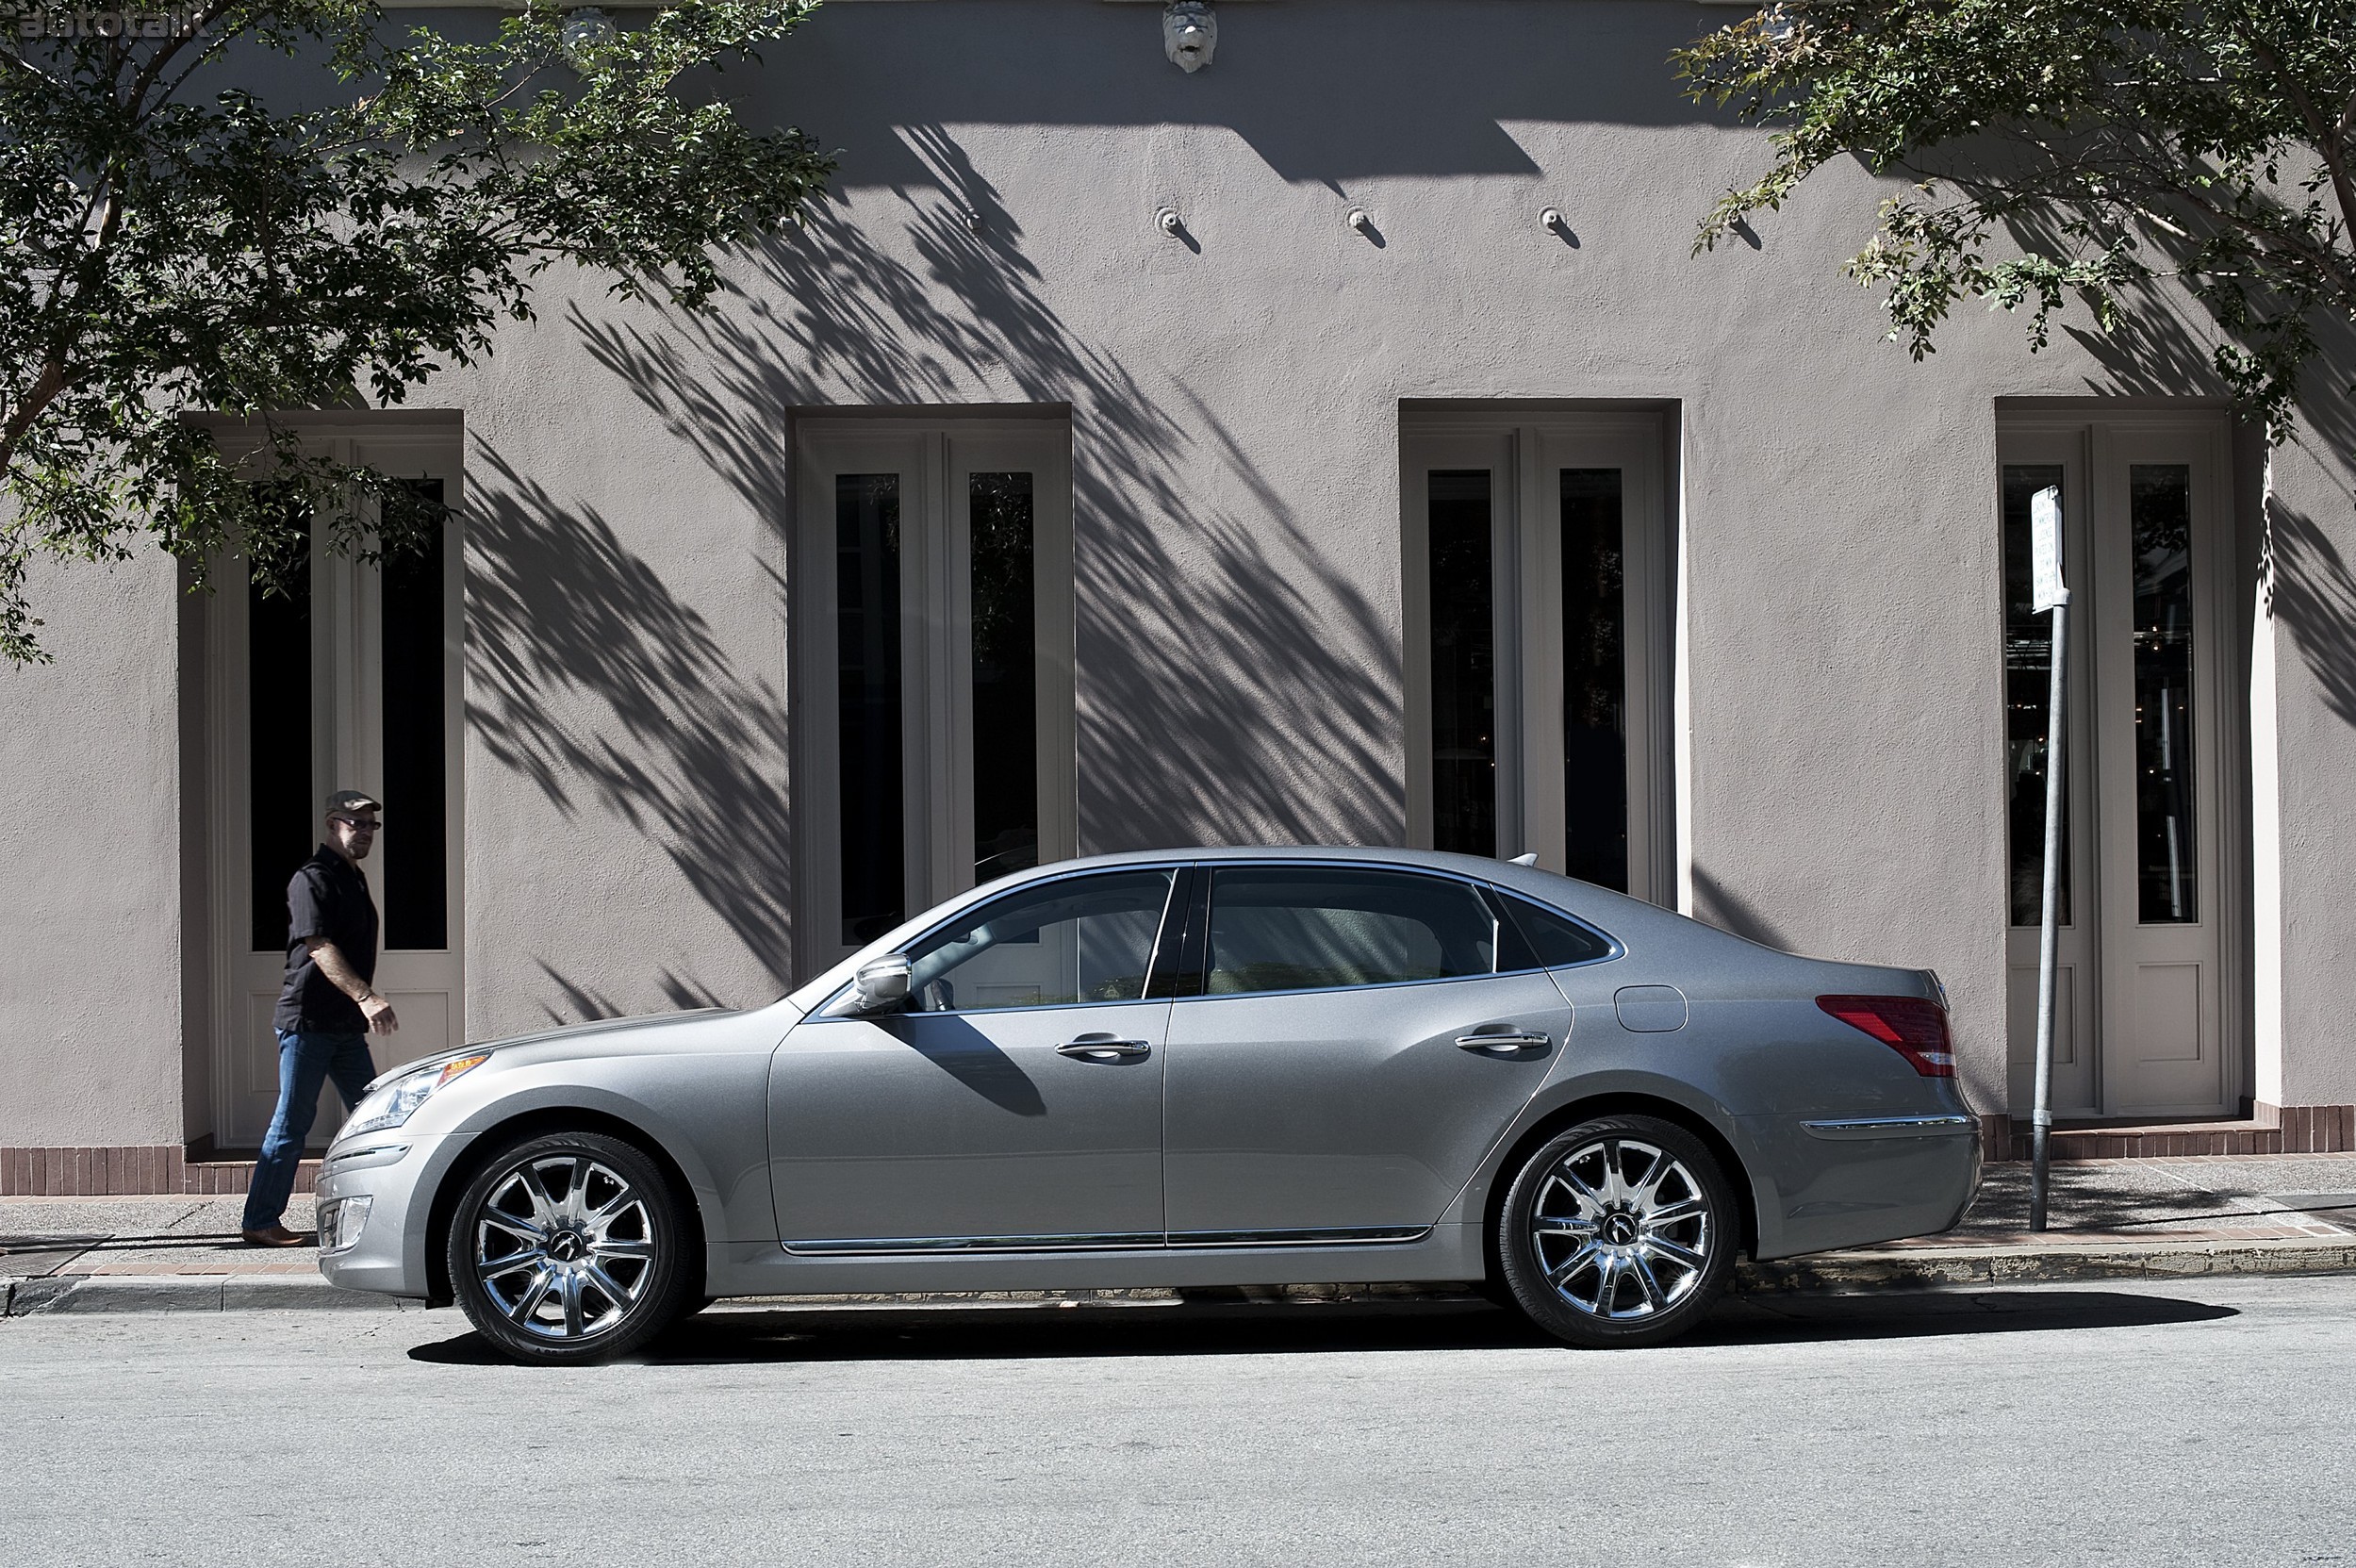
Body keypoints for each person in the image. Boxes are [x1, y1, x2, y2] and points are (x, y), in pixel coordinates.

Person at [240, 790, 399, 1246]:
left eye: (371, 825)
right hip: (308, 1023)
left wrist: (357, 1006)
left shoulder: (354, 877)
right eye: (356, 824)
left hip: (342, 1026)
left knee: (375, 1117)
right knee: (291, 1124)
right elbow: (319, 946)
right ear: (333, 825)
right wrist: (367, 997)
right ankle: (260, 1220)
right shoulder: (312, 878)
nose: (366, 832)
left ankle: (385, 1216)